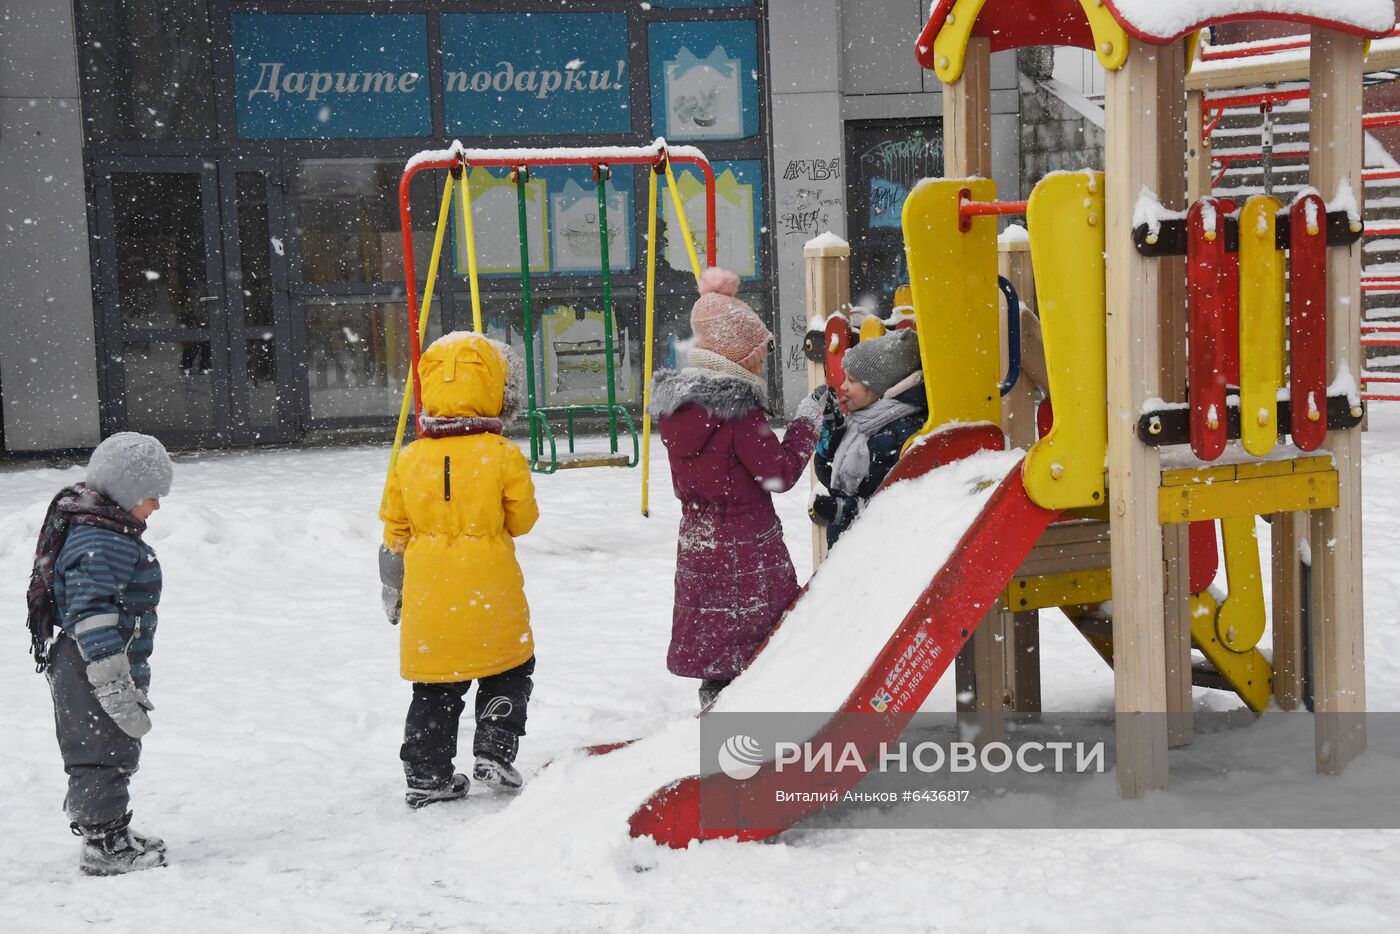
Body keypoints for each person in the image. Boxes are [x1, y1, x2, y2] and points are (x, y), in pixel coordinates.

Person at [649, 267, 832, 708]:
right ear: (737, 356)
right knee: (757, 628)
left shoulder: (677, 409)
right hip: (745, 539)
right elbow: (781, 474)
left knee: (716, 626)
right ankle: (756, 715)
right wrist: (807, 420)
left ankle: (715, 696)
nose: (762, 361)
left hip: (698, 537)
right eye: (757, 353)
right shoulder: (739, 411)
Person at [379, 332, 539, 807]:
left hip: (430, 592)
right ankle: (494, 744)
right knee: (509, 665)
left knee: (434, 684)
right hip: (490, 586)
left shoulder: (409, 459)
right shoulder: (501, 454)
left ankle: (427, 773)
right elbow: (523, 520)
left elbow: (395, 527)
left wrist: (394, 580)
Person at [34, 432, 173, 875]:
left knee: (112, 746)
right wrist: (111, 677)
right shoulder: (104, 540)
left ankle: (111, 829)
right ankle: (103, 846)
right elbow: (91, 609)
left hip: (91, 660)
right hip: (92, 663)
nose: (156, 506)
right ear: (127, 491)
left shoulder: (105, 529)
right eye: (151, 496)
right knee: (101, 752)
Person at [812, 328, 927, 547]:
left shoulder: (899, 434)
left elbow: (894, 506)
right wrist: (831, 433)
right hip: (849, 550)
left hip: (875, 554)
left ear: (882, 389)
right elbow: (832, 479)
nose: (843, 386)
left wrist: (844, 510)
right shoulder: (861, 423)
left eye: (852, 380)